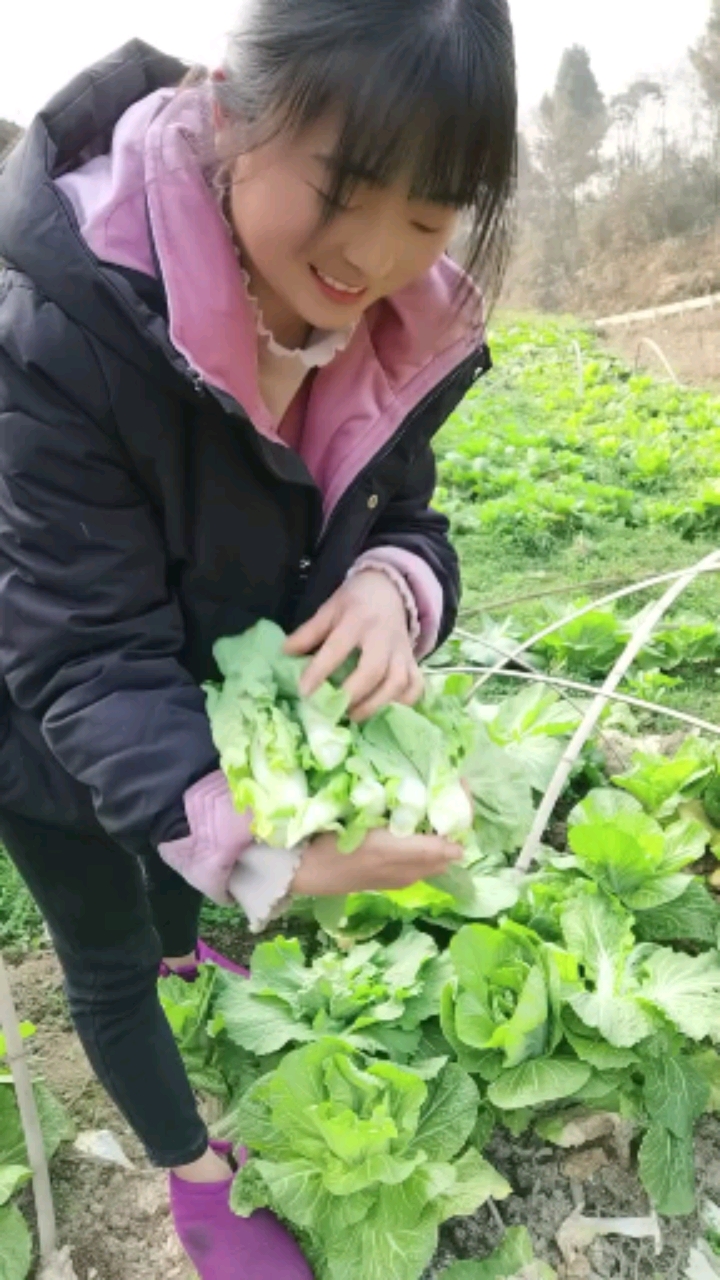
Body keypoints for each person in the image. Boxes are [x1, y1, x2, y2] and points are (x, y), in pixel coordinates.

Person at [0, 2, 516, 1275]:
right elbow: (83, 658)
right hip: (42, 716)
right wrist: (263, 852)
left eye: (430, 211)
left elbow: (408, 513)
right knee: (106, 943)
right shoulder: (64, 317)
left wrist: (398, 583)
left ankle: (195, 939)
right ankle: (190, 1174)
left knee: (180, 894)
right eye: (344, 190)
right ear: (232, 107)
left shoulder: (394, 322)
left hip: (192, 712)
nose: (373, 253)